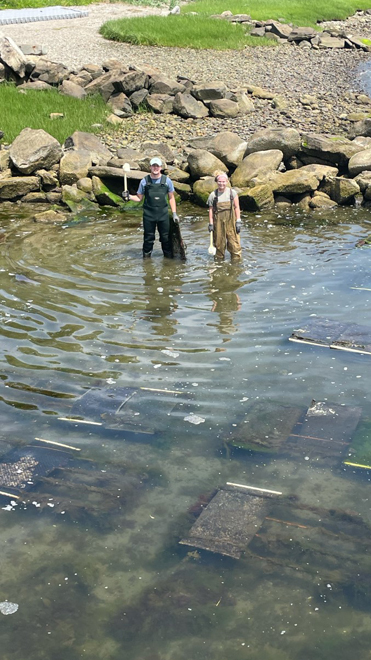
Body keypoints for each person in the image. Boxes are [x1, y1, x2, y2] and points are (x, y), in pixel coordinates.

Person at [122, 157, 179, 258]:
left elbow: (171, 198)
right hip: (149, 216)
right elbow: (139, 198)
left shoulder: (167, 181)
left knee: (165, 239)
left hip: (163, 215)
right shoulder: (144, 181)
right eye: (153, 166)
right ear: (150, 167)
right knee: (148, 239)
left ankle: (168, 262)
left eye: (157, 166)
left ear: (161, 167)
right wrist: (129, 196)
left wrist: (174, 213)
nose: (155, 168)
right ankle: (147, 263)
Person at [207, 172, 242, 260]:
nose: (221, 183)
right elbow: (211, 210)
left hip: (231, 222)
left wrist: (238, 221)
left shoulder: (232, 193)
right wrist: (211, 224)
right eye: (219, 181)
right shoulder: (213, 195)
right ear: (217, 182)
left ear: (227, 182)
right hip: (218, 223)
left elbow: (237, 207)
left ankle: (236, 266)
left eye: (223, 181)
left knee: (234, 245)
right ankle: (219, 265)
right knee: (219, 246)